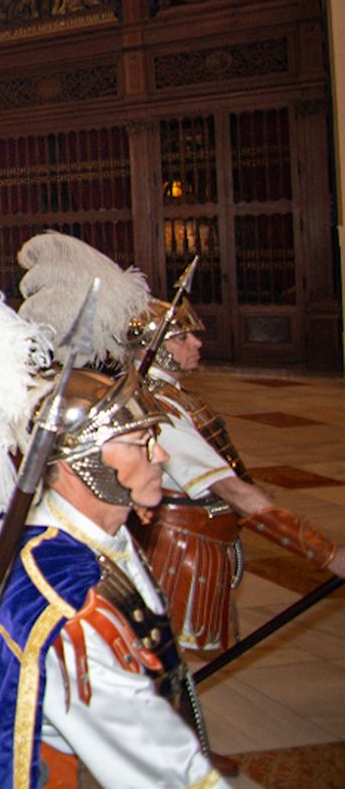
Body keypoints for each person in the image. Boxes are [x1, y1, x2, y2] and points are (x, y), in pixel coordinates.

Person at [17, 231, 345, 656]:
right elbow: (232, 489)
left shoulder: (168, 397)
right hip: (181, 548)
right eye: (182, 338)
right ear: (152, 347)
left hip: (201, 541)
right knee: (162, 671)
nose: (197, 344)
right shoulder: (156, 410)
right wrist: (326, 554)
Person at [0, 368, 225, 788]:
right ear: (83, 463)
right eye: (142, 444)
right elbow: (156, 766)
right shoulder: (70, 606)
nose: (162, 456)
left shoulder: (51, 529)